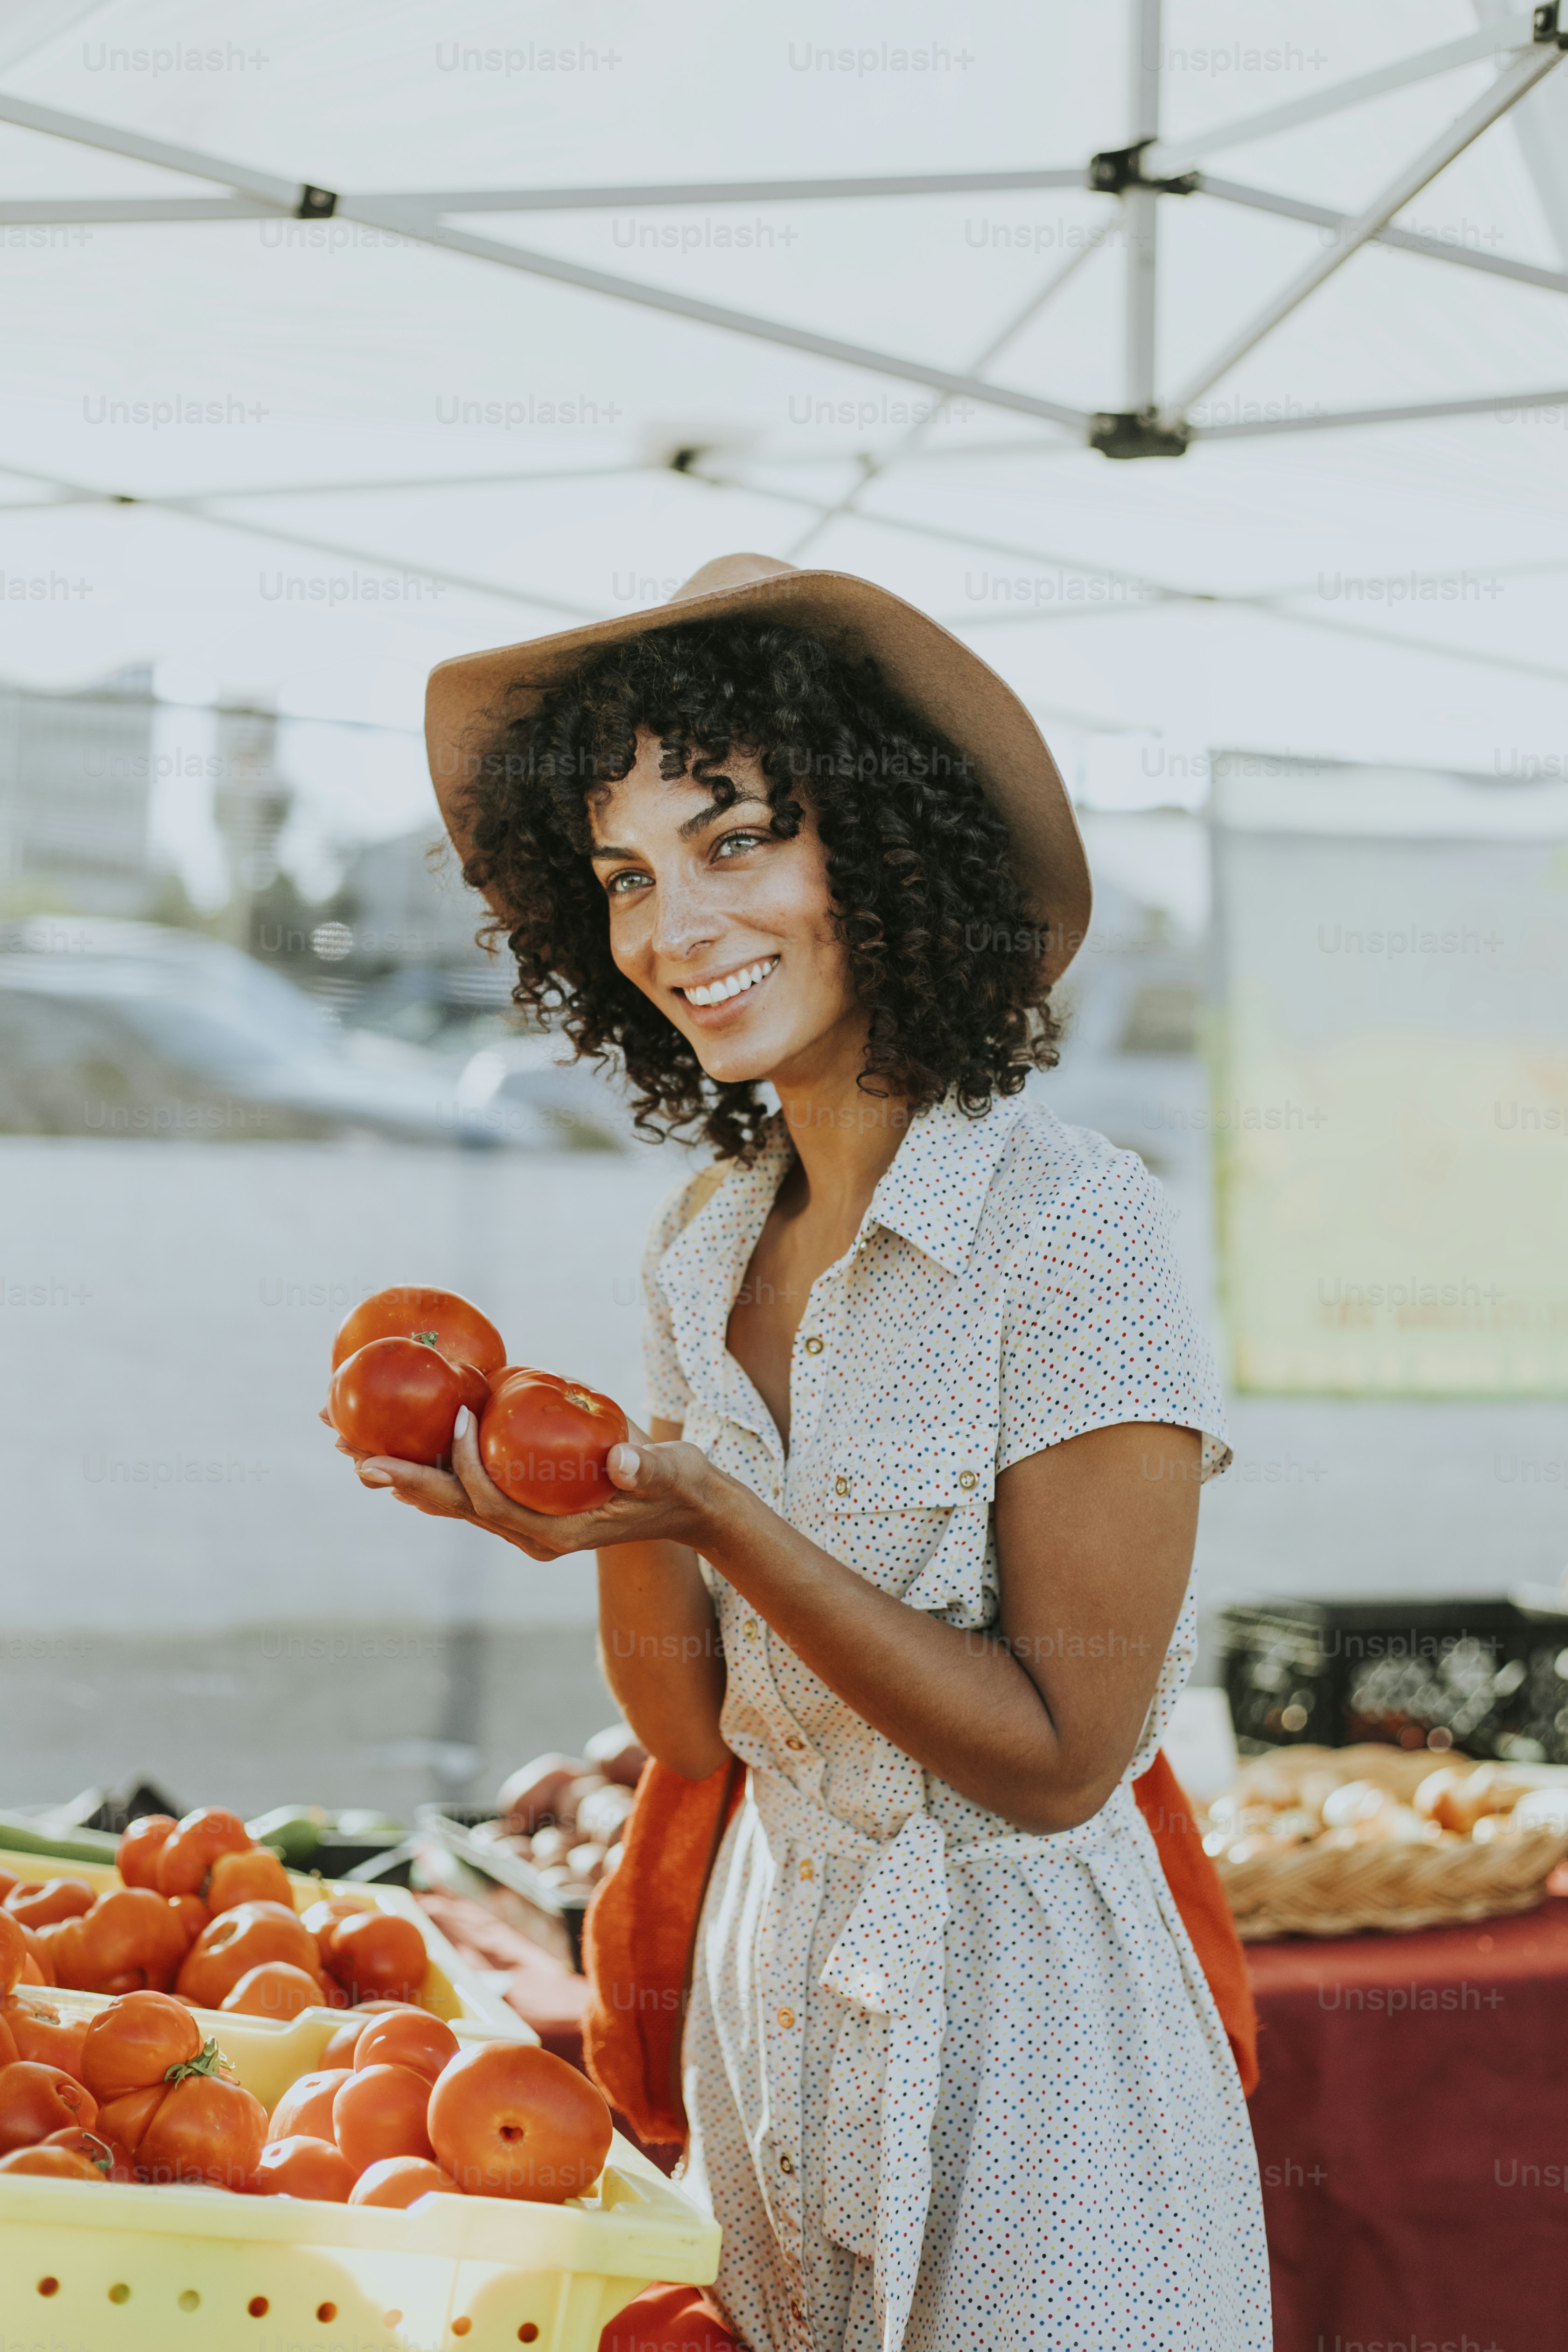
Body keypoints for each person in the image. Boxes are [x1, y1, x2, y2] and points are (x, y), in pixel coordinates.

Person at [346, 555, 1270, 2351]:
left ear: (889, 853)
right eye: (625, 875)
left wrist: (709, 1505)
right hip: (776, 2012)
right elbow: (693, 1730)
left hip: (1033, 2061)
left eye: (736, 842)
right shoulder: (707, 1238)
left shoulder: (1066, 1227)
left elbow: (1062, 1759)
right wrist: (610, 1499)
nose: (672, 924)